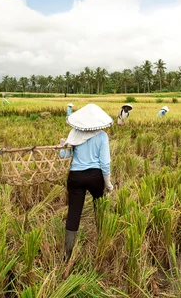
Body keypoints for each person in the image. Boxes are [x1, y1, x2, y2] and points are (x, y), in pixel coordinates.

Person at [61, 104, 114, 261]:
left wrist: (63, 144)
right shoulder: (102, 136)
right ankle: (103, 240)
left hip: (75, 176)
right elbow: (105, 163)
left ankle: (68, 254)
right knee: (100, 207)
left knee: (74, 213)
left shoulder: (74, 133)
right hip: (95, 177)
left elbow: (63, 155)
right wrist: (108, 183)